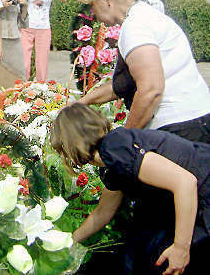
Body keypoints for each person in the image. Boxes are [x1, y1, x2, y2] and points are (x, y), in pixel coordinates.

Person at [51, 103, 209, 275]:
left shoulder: (115, 148)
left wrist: (180, 249)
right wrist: (68, 242)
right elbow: (103, 212)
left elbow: (185, 183)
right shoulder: (111, 157)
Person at [76, 0, 210, 143]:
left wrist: (124, 141)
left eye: (92, 5)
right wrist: (82, 102)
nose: (93, 14)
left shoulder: (135, 27)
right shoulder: (143, 15)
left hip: (181, 126)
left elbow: (150, 90)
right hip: (196, 119)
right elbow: (123, 84)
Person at [14, 0, 66, 81]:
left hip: (44, 28)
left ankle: (41, 90)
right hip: (28, 27)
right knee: (24, 63)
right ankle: (22, 89)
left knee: (42, 64)